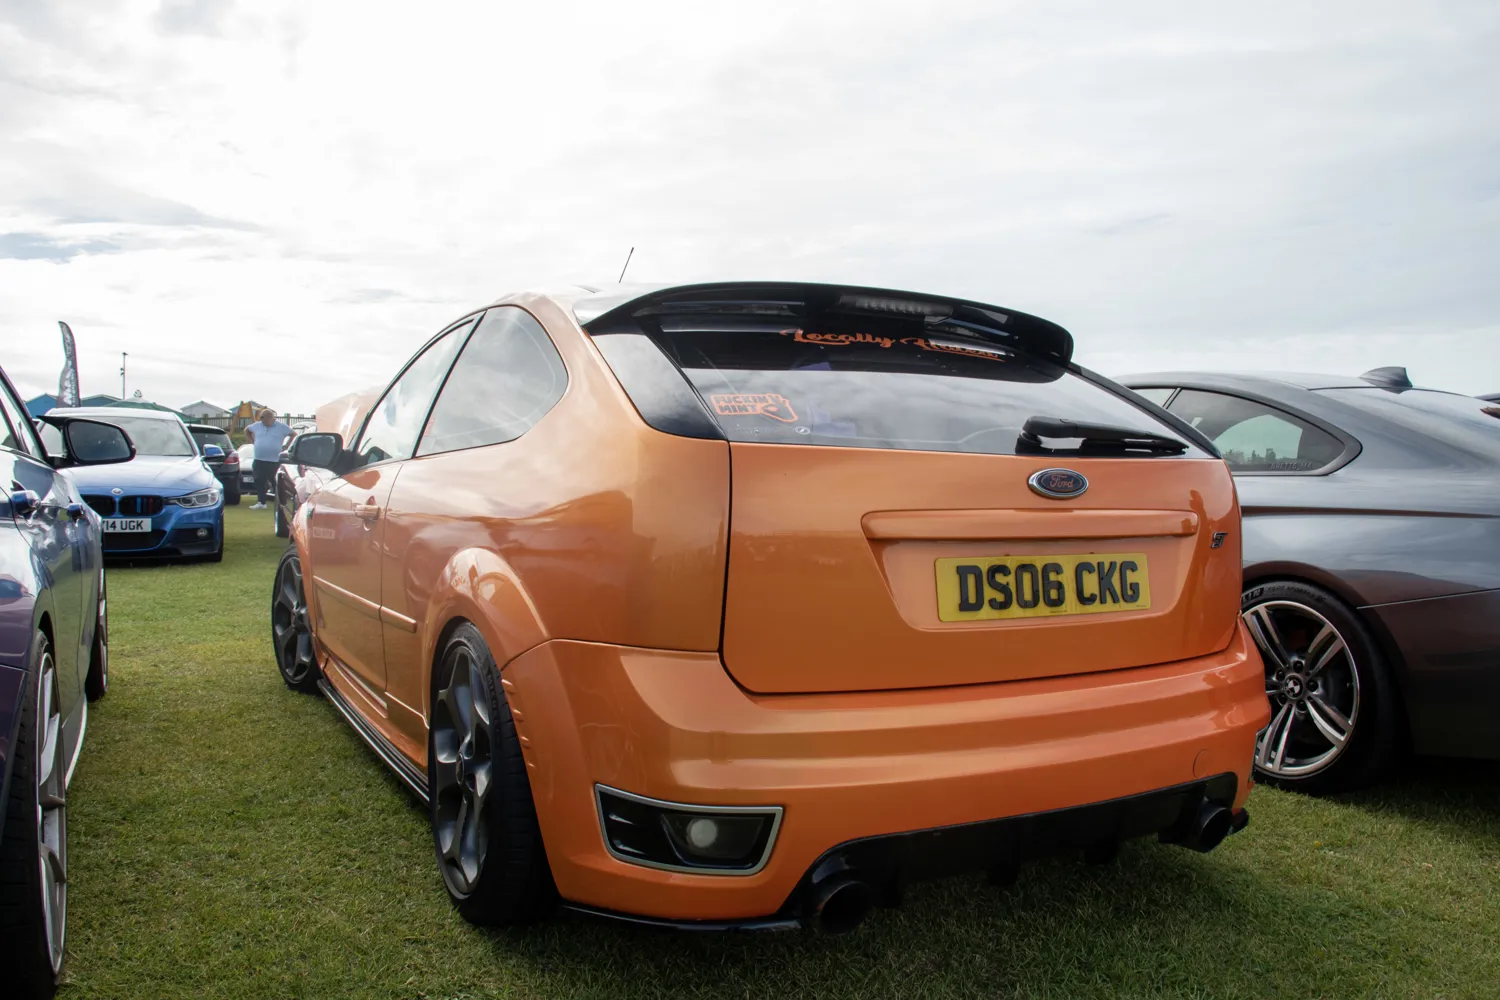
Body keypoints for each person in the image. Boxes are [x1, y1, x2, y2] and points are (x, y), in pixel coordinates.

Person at [244, 408, 293, 509]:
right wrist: (252, 440)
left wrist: (287, 446)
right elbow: (247, 430)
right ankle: (261, 502)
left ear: (271, 418)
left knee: (276, 482)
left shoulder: (281, 426)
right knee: (259, 481)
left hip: (274, 460)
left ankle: (282, 503)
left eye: (265, 419)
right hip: (259, 459)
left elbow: (293, 434)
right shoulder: (257, 425)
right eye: (261, 419)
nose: (263, 421)